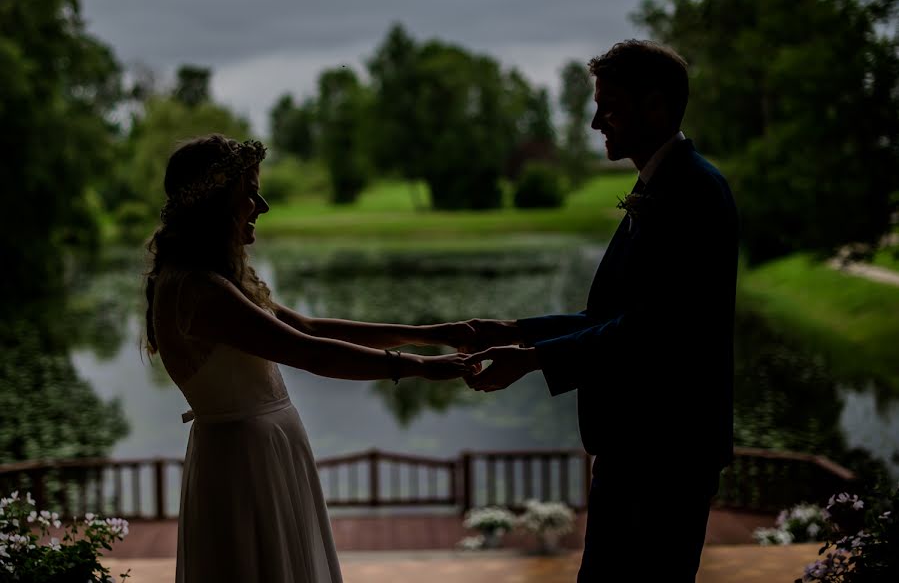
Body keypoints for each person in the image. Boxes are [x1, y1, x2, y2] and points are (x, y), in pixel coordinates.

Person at [458, 40, 739, 582]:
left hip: (665, 455)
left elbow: (653, 332)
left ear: (655, 108)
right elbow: (618, 312)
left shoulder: (695, 192)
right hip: (639, 449)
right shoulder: (660, 184)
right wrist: (515, 331)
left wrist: (533, 358)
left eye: (608, 107)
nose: (594, 123)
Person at [143, 134, 474, 583]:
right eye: (250, 192)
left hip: (263, 452)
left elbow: (311, 328)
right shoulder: (198, 289)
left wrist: (429, 334)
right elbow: (308, 352)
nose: (261, 205)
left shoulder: (214, 281)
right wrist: (415, 367)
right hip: (244, 464)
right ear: (218, 202)